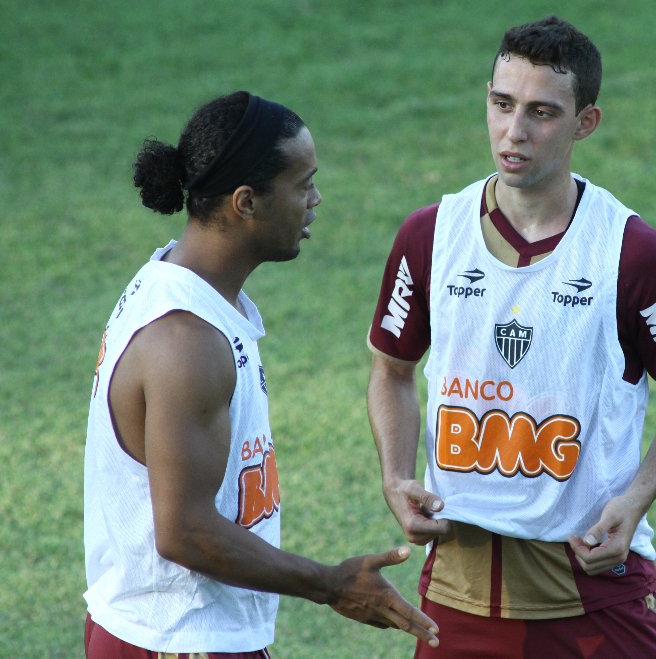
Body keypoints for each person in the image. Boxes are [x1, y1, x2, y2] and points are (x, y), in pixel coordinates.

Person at [366, 16, 656, 659]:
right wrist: (395, 476)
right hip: (459, 592)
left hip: (591, 587)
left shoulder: (629, 252)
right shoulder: (430, 236)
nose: (515, 131)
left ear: (586, 123)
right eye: (501, 105)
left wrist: (636, 499)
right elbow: (390, 370)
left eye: (542, 113)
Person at [84, 91, 439, 657]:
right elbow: (186, 533)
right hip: (177, 639)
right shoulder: (187, 341)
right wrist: (333, 584)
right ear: (246, 202)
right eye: (303, 184)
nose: (316, 199)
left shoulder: (180, 284)